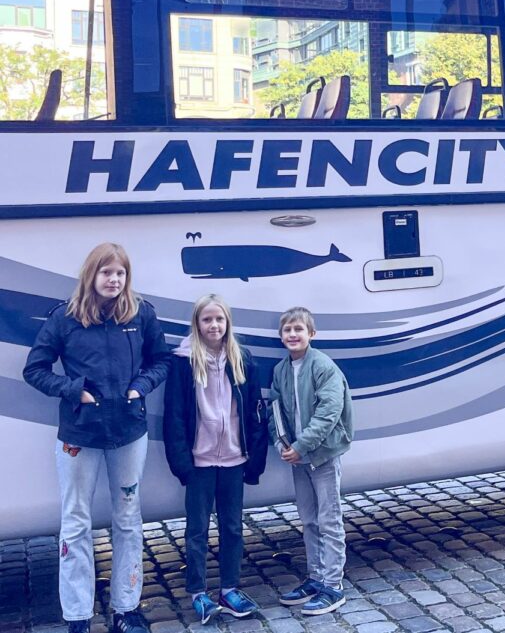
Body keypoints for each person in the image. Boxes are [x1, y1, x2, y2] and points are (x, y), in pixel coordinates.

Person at [23, 243, 171, 633]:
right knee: (75, 523)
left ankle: (126, 608)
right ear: (92, 275)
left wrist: (141, 386)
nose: (114, 280)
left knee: (128, 519)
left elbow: (162, 361)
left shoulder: (142, 313)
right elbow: (35, 369)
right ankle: (77, 616)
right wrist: (74, 390)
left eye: (120, 273)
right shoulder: (65, 318)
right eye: (107, 272)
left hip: (127, 432)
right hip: (79, 435)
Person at [163, 294, 269, 624]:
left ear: (228, 323)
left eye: (219, 319)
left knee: (232, 528)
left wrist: (255, 459)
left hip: (235, 460)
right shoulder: (183, 361)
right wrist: (181, 463)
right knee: (197, 530)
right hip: (199, 462)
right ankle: (198, 592)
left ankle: (229, 589)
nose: (214, 325)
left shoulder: (242, 359)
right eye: (207, 319)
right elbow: (174, 416)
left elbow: (255, 411)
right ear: (197, 324)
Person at [269, 307, 353, 616]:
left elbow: (329, 412)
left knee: (329, 520)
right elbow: (274, 410)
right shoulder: (280, 370)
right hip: (298, 458)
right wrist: (283, 443)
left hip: (323, 455)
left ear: (311, 334)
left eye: (298, 329)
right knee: (308, 520)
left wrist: (303, 445)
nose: (293, 334)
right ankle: (316, 578)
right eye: (287, 330)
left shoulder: (323, 366)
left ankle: (334, 585)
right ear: (281, 337)